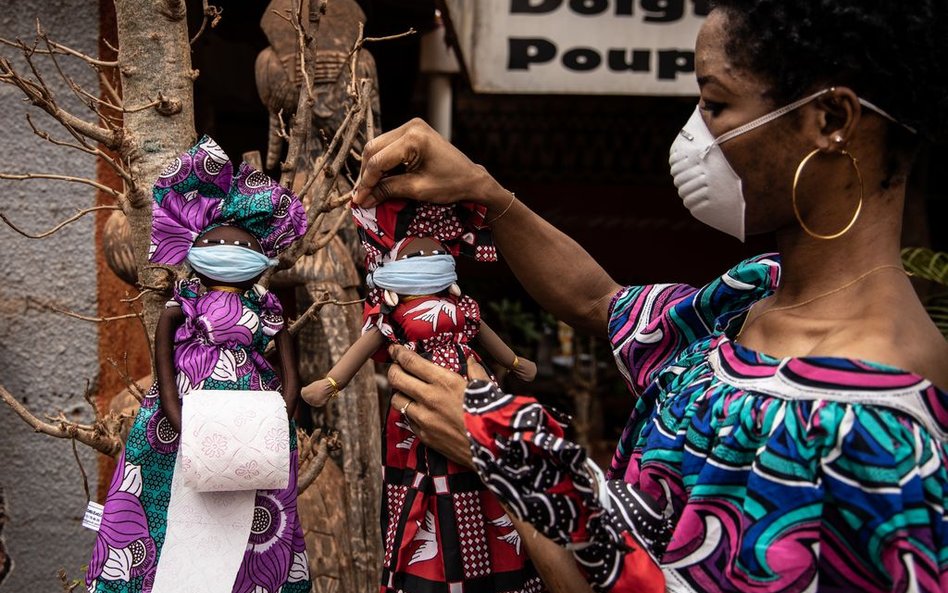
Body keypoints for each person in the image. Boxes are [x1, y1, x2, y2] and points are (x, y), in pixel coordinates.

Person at [349, 1, 948, 592]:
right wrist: (484, 189)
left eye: (715, 104)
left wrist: (498, 448)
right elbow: (598, 302)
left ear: (831, 119)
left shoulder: (865, 427)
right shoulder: (755, 294)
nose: (695, 134)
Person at [86, 136, 312, 593]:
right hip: (180, 417)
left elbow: (289, 367)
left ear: (261, 255)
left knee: (256, 508)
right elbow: (163, 360)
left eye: (240, 243)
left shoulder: (266, 307)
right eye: (215, 240)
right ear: (192, 245)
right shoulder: (181, 304)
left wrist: (282, 411)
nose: (227, 247)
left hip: (256, 418)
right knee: (163, 491)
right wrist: (173, 412)